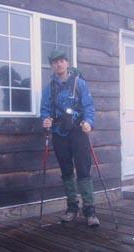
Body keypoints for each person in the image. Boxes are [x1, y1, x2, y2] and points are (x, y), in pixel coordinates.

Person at [40, 50, 100, 227]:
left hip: (79, 133)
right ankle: (72, 208)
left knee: (83, 169)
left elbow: (89, 106)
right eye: (55, 62)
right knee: (66, 171)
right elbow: (45, 109)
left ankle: (89, 211)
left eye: (61, 61)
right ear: (52, 66)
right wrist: (45, 120)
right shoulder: (49, 88)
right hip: (59, 134)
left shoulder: (79, 84)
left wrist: (88, 122)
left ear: (67, 63)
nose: (58, 64)